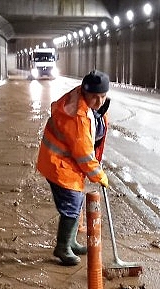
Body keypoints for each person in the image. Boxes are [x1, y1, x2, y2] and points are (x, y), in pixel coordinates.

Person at [36, 70, 111, 266]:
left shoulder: (84, 101)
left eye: (103, 96)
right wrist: (99, 175)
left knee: (76, 204)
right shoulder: (78, 117)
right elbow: (84, 154)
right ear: (85, 93)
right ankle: (62, 247)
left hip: (64, 163)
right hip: (59, 165)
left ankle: (71, 242)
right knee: (71, 205)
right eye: (95, 97)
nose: (100, 101)